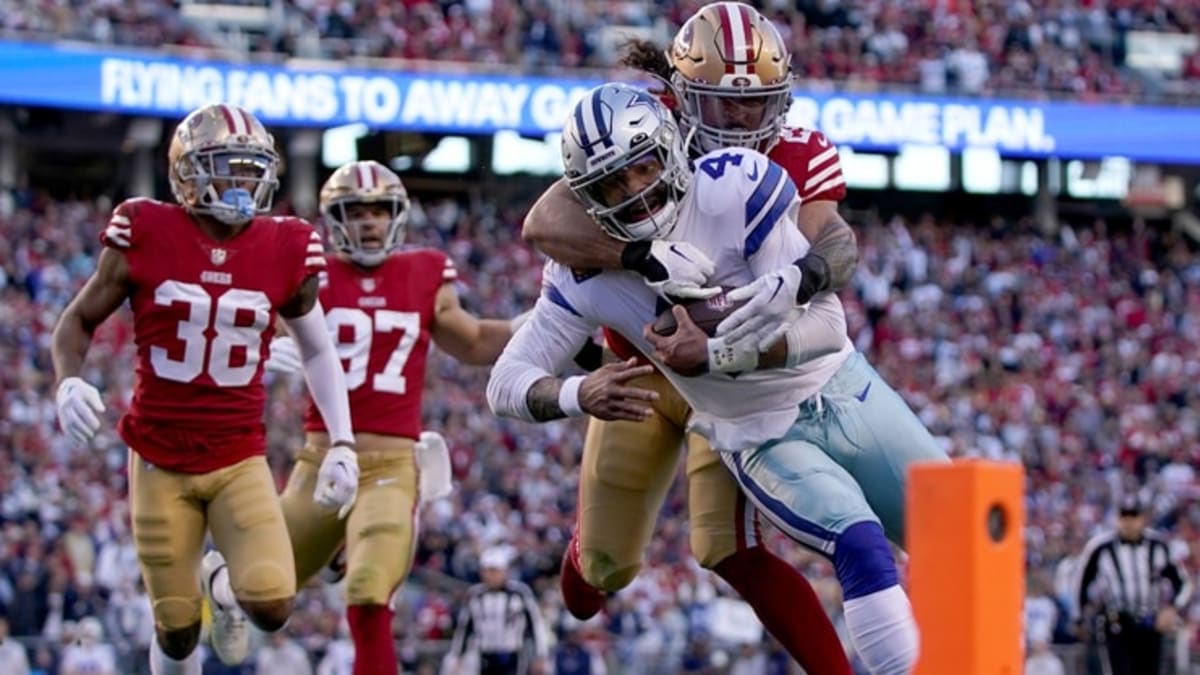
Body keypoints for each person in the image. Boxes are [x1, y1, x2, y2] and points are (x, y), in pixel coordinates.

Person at [490, 83, 951, 675]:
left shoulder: (740, 182)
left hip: (836, 386)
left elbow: (828, 323)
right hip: (741, 423)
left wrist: (730, 339)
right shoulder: (583, 263)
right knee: (850, 542)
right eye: (612, 183)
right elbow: (506, 373)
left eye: (645, 167)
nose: (636, 189)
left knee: (963, 543)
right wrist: (583, 391)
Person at [518, 4, 855, 673]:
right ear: (680, 93)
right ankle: (587, 554)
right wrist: (640, 259)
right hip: (639, 372)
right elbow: (545, 220)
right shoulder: (650, 122)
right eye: (719, 105)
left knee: (733, 547)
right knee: (602, 573)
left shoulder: (800, 153)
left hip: (730, 378)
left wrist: (794, 281)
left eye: (753, 105)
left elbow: (829, 249)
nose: (736, 123)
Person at [51, 103, 359, 675]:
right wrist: (68, 380)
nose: (243, 182)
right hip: (159, 456)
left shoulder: (286, 244)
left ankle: (219, 579)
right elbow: (77, 321)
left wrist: (343, 440)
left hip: (237, 453)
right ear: (187, 173)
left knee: (272, 605)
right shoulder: (146, 228)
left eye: (251, 169)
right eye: (228, 168)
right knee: (177, 634)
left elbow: (318, 347)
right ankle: (201, 597)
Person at [264, 160, 517, 675]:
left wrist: (535, 329)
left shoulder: (424, 271)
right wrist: (263, 342)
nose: (369, 222)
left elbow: (469, 340)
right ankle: (326, 545)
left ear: (397, 216)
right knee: (260, 590)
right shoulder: (312, 271)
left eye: (379, 210)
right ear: (336, 219)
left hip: (391, 465)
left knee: (369, 592)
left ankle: (350, 549)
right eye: (356, 211)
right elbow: (245, 319)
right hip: (320, 460)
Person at [1073, 494, 1193, 675]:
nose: (1128, 522)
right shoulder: (1100, 548)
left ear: (1142, 518)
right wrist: (1079, 618)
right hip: (1116, 623)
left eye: (1133, 516)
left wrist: (1172, 608)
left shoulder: (1158, 545)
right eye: (1124, 516)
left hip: (1150, 623)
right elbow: (1080, 583)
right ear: (1117, 518)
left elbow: (1183, 582)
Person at [442, 548, 549, 675]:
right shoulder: (475, 595)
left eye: (494, 571)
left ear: (504, 571)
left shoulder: (520, 593)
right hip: (484, 654)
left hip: (512, 654)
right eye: (486, 571)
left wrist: (541, 655)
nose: (489, 575)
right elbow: (465, 628)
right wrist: (457, 655)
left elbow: (535, 625)